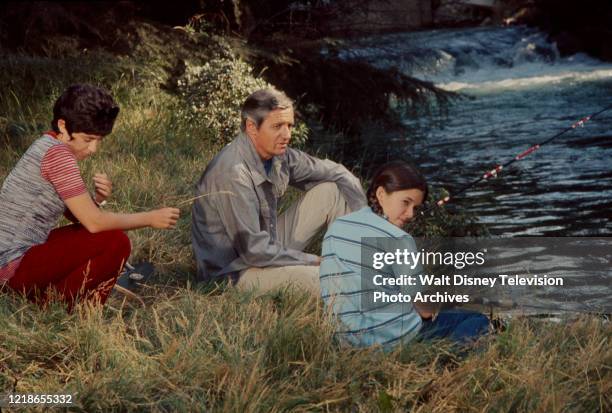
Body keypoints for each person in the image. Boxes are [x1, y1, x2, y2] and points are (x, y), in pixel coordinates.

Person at [0, 84, 180, 309]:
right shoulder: (58, 155)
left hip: (14, 258)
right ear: (63, 126)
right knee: (115, 241)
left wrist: (98, 200)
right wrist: (150, 218)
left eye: (99, 140)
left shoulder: (47, 144)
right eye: (87, 139)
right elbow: (94, 222)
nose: (93, 149)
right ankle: (56, 306)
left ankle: (62, 298)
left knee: (100, 236)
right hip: (11, 267)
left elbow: (77, 216)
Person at [191, 88, 366, 293]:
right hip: (234, 274)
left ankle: (357, 266)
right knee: (333, 281)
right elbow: (254, 252)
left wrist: (365, 219)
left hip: (265, 247)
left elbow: (338, 173)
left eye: (289, 125)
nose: (287, 135)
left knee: (334, 191)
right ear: (251, 127)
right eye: (277, 126)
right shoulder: (232, 173)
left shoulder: (278, 155)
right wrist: (315, 261)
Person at [320, 160, 489, 349]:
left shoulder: (337, 226)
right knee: (476, 319)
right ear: (381, 194)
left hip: (343, 339)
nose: (410, 214)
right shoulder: (399, 238)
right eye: (405, 202)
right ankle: (448, 358)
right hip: (389, 341)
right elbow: (425, 311)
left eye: (415, 208)